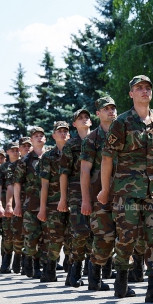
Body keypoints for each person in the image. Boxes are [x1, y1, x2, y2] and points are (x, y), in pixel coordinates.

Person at [98, 75, 153, 303]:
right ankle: (121, 278)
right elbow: (108, 158)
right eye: (138, 88)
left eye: (147, 88)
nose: (144, 91)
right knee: (127, 237)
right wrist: (104, 189)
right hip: (127, 191)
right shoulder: (122, 122)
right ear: (131, 94)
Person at [80, 96, 118, 292]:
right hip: (99, 198)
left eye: (113, 108)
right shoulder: (92, 139)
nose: (111, 111)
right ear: (98, 114)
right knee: (104, 238)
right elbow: (85, 171)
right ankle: (94, 274)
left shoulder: (124, 134)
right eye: (106, 109)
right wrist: (86, 200)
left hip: (124, 195)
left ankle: (124, 279)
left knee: (128, 237)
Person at [59, 108, 93, 287]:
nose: (84, 120)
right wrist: (63, 198)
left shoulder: (97, 140)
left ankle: (95, 275)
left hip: (96, 193)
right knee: (80, 232)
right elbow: (64, 174)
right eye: (80, 118)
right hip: (76, 194)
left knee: (96, 234)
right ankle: (74, 270)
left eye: (87, 117)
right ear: (74, 124)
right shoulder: (70, 145)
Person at [37, 121, 71, 282]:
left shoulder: (76, 151)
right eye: (60, 131)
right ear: (54, 135)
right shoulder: (48, 157)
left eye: (65, 131)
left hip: (74, 201)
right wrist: (42, 208)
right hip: (53, 203)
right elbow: (44, 184)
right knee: (55, 238)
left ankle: (72, 270)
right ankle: (50, 268)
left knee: (73, 237)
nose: (63, 134)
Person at [13, 127, 47, 279]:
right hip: (31, 204)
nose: (39, 138)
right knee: (32, 236)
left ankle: (43, 264)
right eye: (35, 136)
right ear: (31, 140)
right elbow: (17, 184)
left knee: (47, 237)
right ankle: (29, 261)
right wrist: (17, 205)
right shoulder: (25, 161)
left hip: (49, 203)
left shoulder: (50, 156)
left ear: (45, 138)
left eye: (41, 136)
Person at [4, 137, 33, 274]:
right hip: (19, 204)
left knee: (33, 234)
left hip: (35, 203)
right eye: (24, 146)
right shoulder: (13, 166)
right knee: (18, 234)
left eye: (29, 145)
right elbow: (10, 187)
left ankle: (31, 263)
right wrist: (9, 205)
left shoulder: (39, 160)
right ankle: (17, 256)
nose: (27, 148)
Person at [0, 141, 21, 273]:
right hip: (8, 205)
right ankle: (6, 260)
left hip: (24, 203)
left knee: (22, 233)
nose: (15, 152)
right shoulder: (3, 168)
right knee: (8, 234)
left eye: (17, 149)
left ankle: (19, 258)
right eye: (12, 150)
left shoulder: (24, 163)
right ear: (7, 152)